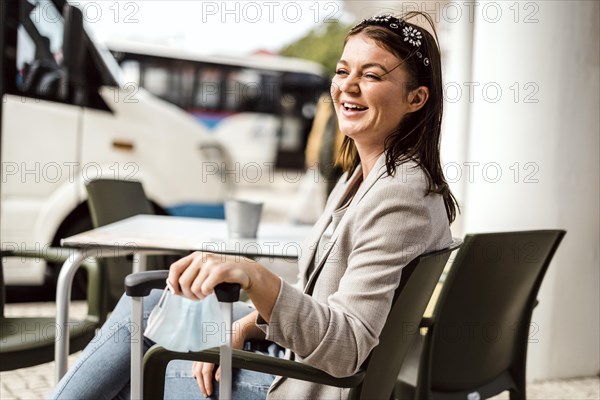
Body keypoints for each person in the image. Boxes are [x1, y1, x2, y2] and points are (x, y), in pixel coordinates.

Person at [49, 10, 458, 400]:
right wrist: (250, 321)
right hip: (293, 360)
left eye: (370, 75)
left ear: (416, 99)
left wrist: (257, 277)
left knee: (133, 371)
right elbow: (324, 296)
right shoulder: (367, 177)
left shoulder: (399, 195)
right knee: (156, 301)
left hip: (305, 386)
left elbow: (347, 347)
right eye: (342, 70)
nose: (347, 85)